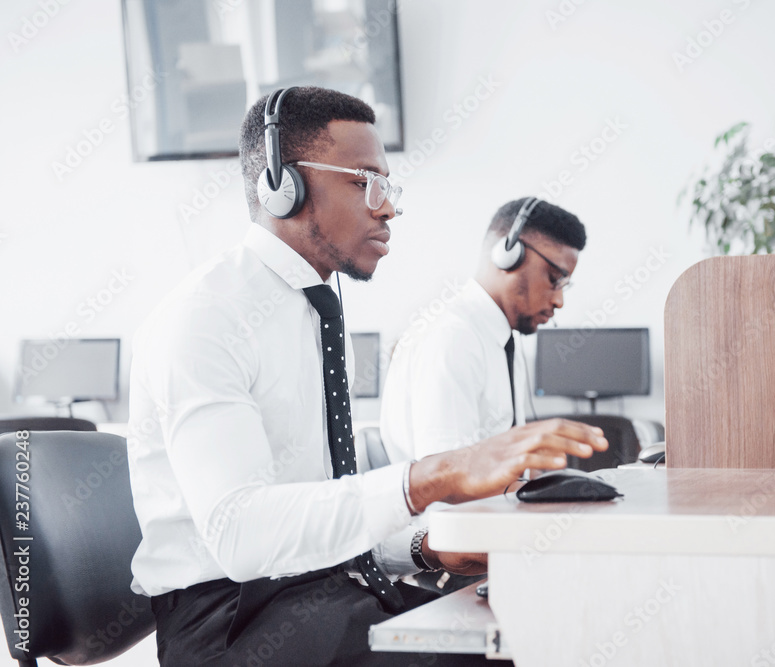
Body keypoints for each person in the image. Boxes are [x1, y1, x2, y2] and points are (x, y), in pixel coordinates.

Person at [126, 86, 607, 667]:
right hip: (232, 625)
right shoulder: (206, 317)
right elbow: (242, 535)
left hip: (325, 590)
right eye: (365, 182)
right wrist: (435, 476)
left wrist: (425, 550)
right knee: (488, 655)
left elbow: (322, 512)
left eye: (389, 186)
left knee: (538, 627)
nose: (388, 207)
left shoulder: (315, 311)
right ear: (285, 187)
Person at [380, 197, 586, 465]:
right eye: (555, 279)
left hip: (501, 506)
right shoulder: (453, 337)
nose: (559, 301)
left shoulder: (501, 339)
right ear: (509, 255)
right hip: (457, 509)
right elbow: (447, 476)